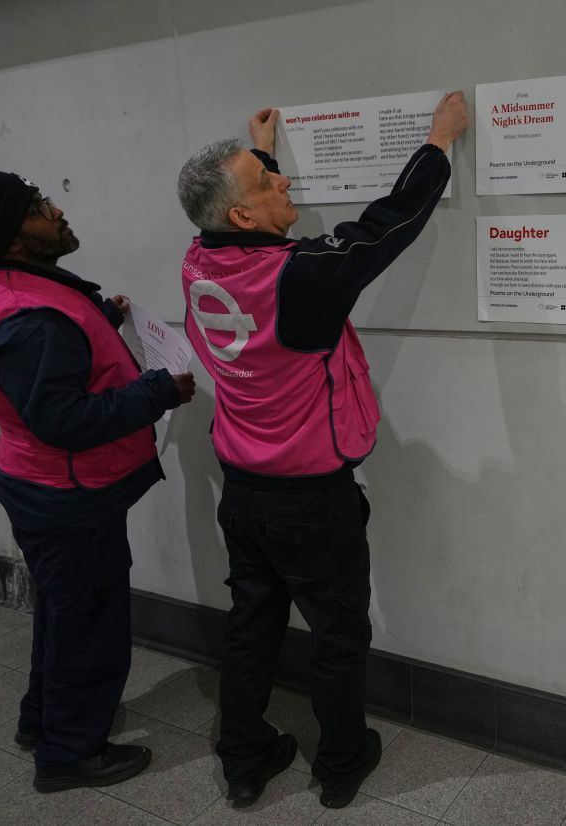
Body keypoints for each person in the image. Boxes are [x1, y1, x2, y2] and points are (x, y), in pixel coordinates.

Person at [175, 92, 467, 808]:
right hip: (311, 499)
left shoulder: (199, 260)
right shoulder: (298, 277)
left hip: (243, 489)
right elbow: (385, 226)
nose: (287, 185)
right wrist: (439, 141)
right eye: (270, 182)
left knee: (252, 623)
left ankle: (244, 760)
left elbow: (247, 225)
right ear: (243, 214)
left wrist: (261, 150)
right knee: (339, 633)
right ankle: (340, 763)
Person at [0, 171, 196, 792]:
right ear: (12, 238)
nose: (56, 209)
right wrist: (160, 390)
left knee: (63, 612)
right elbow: (65, 421)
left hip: (43, 487)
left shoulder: (11, 286)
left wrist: (104, 316)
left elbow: (54, 357)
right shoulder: (31, 322)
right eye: (36, 208)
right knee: (89, 623)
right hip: (67, 496)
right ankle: (69, 756)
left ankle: (44, 721)